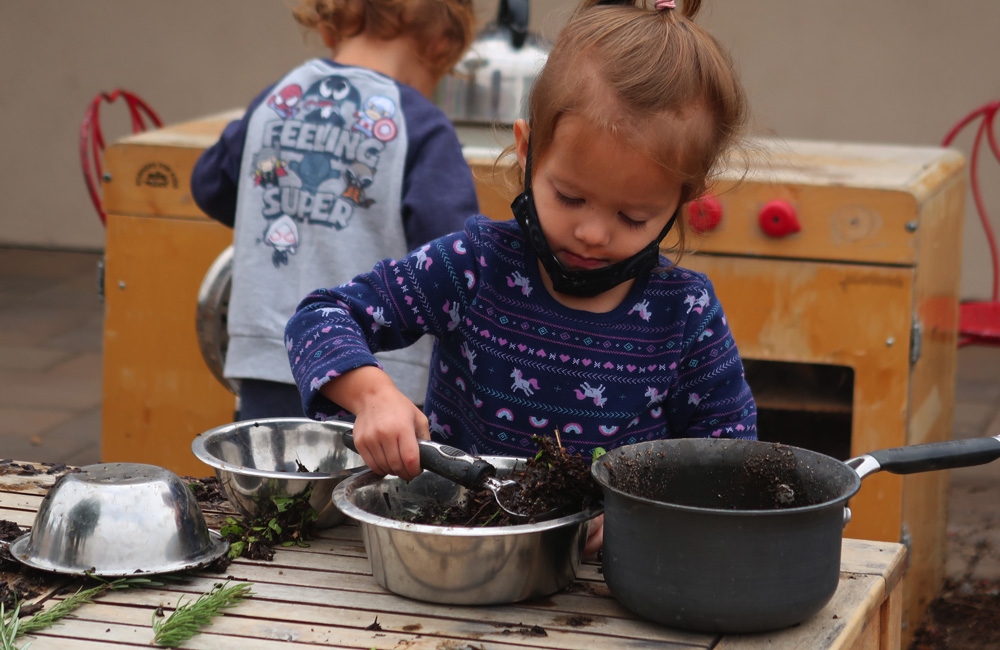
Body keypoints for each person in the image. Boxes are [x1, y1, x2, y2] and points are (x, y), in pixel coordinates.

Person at [285, 0, 758, 554]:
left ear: (685, 198)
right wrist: (371, 395)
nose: (592, 234)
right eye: (570, 196)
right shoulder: (474, 265)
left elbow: (731, 461)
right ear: (529, 151)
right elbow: (320, 317)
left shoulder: (686, 314)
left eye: (634, 217)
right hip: (463, 555)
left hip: (611, 593)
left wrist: (661, 516)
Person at [190, 0, 480, 419]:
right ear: (442, 43)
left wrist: (288, 213)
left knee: (274, 479)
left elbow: (210, 185)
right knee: (367, 485)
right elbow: (454, 256)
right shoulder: (421, 125)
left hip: (267, 355)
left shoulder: (278, 100)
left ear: (330, 28)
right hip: (375, 375)